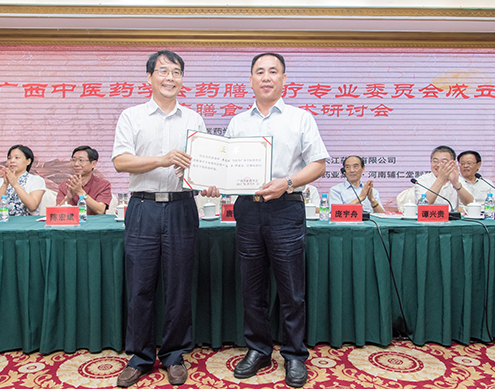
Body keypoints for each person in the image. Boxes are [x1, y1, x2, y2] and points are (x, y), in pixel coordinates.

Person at [225, 52, 328, 388]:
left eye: (273, 71)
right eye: (260, 71)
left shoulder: (301, 118)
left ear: (284, 79)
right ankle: (258, 349)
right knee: (252, 286)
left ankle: (294, 354)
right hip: (248, 208)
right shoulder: (238, 123)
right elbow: (226, 167)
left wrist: (289, 182)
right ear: (251, 80)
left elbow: (318, 164)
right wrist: (214, 182)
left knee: (291, 288)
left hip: (286, 207)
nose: (266, 77)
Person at [112, 50, 206, 387]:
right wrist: (162, 159)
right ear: (149, 77)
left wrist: (209, 182)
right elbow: (121, 162)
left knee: (179, 286)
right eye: (163, 71)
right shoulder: (132, 116)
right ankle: (139, 357)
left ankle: (174, 354)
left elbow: (203, 165)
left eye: (176, 72)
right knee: (140, 286)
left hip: (182, 207)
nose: (170, 77)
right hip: (144, 208)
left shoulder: (194, 119)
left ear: (182, 79)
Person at [0, 145, 45, 216]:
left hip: (29, 222)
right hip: (5, 221)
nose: (12, 161)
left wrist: (15, 184)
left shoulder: (36, 180)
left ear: (28, 161)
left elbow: (33, 207)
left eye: (17, 158)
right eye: (9, 158)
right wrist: (5, 184)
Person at [414, 145, 473, 211]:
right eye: (435, 161)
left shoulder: (458, 179)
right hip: (429, 216)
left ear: (453, 164)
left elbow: (470, 203)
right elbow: (423, 206)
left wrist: (455, 183)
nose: (438, 165)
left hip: (452, 217)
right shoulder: (422, 180)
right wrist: (441, 178)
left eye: (443, 162)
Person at [56, 145, 111, 214]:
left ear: (93, 164)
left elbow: (100, 210)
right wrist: (68, 198)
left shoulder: (103, 185)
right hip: (72, 221)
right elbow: (56, 213)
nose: (76, 164)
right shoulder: (65, 185)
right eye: (73, 160)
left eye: (81, 160)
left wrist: (81, 192)